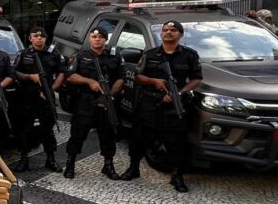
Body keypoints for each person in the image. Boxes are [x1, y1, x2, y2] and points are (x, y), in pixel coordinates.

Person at [120, 20, 203, 192]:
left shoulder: (190, 55)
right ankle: (133, 168)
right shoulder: (150, 54)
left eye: (173, 30)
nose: (168, 32)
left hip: (174, 104)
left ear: (180, 34)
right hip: (149, 103)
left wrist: (179, 93)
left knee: (176, 142)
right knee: (139, 138)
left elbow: (196, 78)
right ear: (161, 34)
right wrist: (153, 81)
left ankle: (177, 175)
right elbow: (137, 76)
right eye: (165, 30)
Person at [63, 28, 124, 181]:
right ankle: (70, 164)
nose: (97, 39)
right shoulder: (80, 56)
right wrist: (89, 81)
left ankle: (108, 165)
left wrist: (111, 94)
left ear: (105, 40)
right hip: (85, 101)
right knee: (78, 134)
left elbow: (121, 77)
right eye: (94, 36)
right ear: (89, 39)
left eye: (101, 37)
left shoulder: (115, 56)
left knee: (108, 134)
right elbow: (70, 76)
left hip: (106, 101)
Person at [12, 26, 65, 172]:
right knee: (25, 129)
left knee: (47, 128)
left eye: (41, 36)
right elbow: (14, 72)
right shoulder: (23, 54)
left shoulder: (54, 53)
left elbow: (62, 72)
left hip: (45, 97)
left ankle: (51, 159)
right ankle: (24, 159)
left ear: (46, 38)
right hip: (26, 97)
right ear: (30, 38)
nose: (38, 38)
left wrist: (51, 90)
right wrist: (30, 77)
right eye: (35, 36)